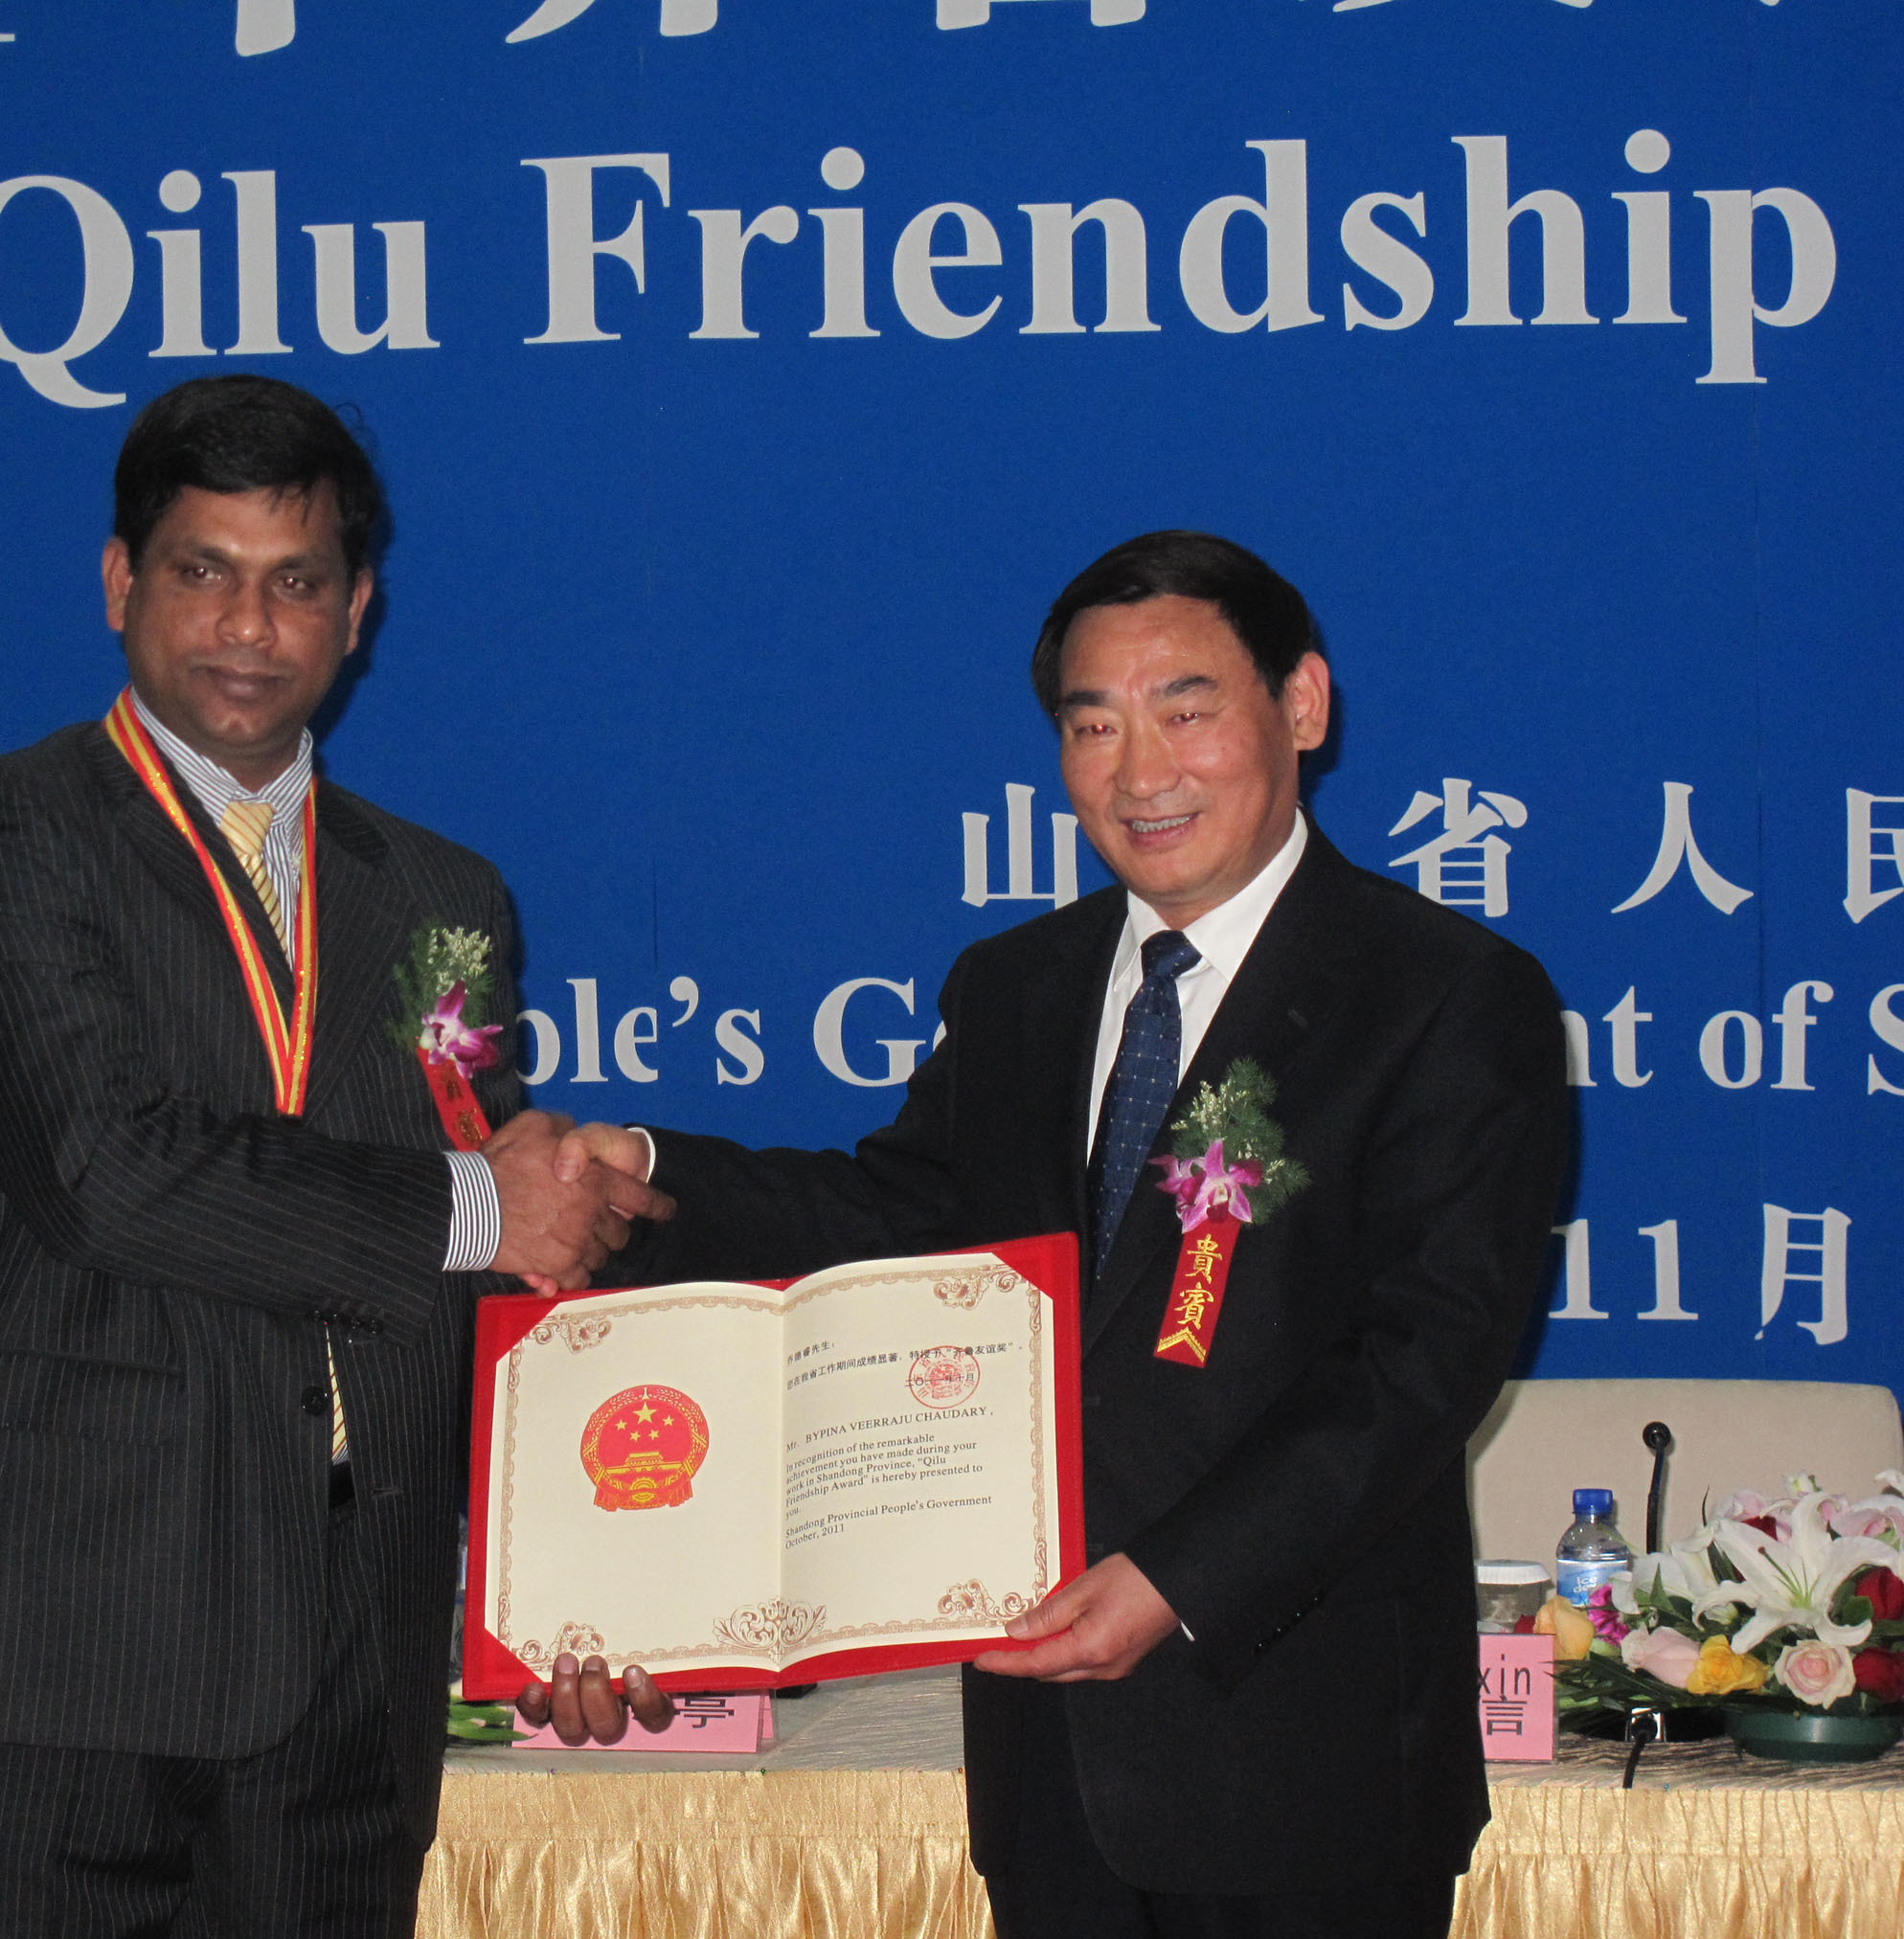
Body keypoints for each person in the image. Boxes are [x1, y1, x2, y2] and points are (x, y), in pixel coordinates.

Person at [538, 531, 1570, 1935]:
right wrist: (647, 1179)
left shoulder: (1447, 992)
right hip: (1046, 1775)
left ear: (1303, 704)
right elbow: (893, 1217)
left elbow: (1427, 1358)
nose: (1140, 773)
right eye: (1093, 726)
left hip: (1304, 1762)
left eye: (1186, 710)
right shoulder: (1018, 985)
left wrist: (1177, 1583)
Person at [0, 373, 670, 1938]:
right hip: (75, 1640)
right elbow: (106, 1168)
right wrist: (483, 1202)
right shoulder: (2, 827)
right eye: (202, 570)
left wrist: (590, 1576)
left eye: (296, 581)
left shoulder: (442, 893)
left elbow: (497, 1256)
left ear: (356, 612)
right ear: (120, 582)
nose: (248, 624)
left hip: (351, 1669)